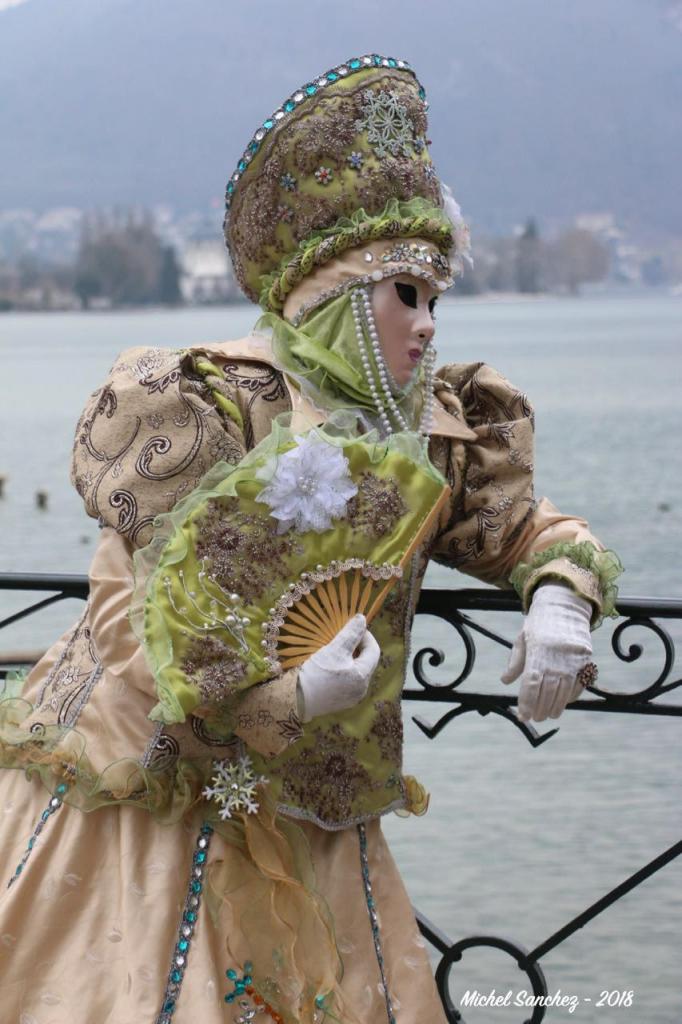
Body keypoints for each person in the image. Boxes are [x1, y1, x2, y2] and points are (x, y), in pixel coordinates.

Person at [0, 54, 623, 1023]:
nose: (424, 326)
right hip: (159, 806)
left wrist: (556, 595)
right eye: (401, 295)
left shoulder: (429, 428)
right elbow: (136, 627)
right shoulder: (211, 408)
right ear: (334, 297)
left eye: (434, 299)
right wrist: (283, 695)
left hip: (323, 811)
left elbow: (523, 530)